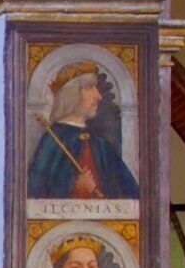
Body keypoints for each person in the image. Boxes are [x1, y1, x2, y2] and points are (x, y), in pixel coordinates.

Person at [27, 62, 139, 201]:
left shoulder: (99, 143)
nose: (98, 95)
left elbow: (131, 194)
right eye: (89, 87)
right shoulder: (53, 140)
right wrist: (74, 188)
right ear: (71, 94)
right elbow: (34, 192)